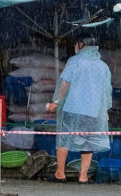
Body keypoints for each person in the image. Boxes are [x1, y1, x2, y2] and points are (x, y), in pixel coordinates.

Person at [46, 33, 111, 184]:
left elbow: (65, 84)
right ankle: (83, 176)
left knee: (65, 137)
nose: (75, 46)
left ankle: (60, 173)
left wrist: (56, 100)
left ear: (81, 45)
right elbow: (106, 91)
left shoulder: (75, 62)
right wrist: (105, 109)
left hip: (73, 108)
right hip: (94, 110)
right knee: (88, 141)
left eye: (76, 43)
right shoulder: (103, 66)